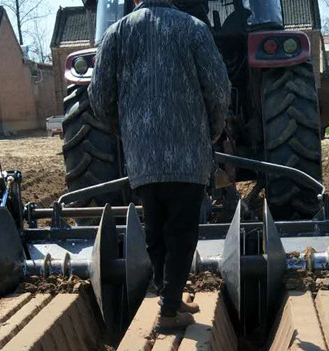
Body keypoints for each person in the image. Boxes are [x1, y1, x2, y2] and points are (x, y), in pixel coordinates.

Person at [88, 0, 231, 331]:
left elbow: (98, 97)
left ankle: (172, 298)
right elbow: (219, 90)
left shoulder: (115, 34)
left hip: (143, 157)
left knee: (156, 231)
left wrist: (126, 130)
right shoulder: (194, 29)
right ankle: (168, 311)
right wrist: (212, 130)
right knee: (181, 231)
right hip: (187, 153)